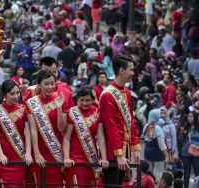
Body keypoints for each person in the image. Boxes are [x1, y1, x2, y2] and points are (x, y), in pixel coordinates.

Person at [99, 54, 141, 187]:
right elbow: (111, 127)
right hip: (113, 154)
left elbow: (131, 120)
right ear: (121, 71)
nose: (133, 73)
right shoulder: (107, 95)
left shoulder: (127, 92)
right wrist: (119, 154)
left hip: (125, 150)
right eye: (131, 70)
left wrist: (135, 147)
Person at [26, 70, 68, 187]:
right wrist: (37, 153)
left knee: (56, 183)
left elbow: (61, 128)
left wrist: (59, 109)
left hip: (56, 149)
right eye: (46, 84)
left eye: (53, 83)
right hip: (39, 149)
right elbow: (33, 130)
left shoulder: (59, 99)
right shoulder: (31, 103)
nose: (50, 87)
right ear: (39, 85)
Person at [63, 86, 109, 187]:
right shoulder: (72, 112)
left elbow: (100, 137)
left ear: (93, 99)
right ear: (78, 99)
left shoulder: (97, 112)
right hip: (74, 157)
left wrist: (104, 158)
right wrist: (66, 157)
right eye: (81, 100)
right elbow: (66, 137)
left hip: (91, 157)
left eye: (88, 100)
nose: (84, 103)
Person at [0, 80, 33, 187]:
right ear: (4, 95)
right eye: (12, 94)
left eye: (18, 93)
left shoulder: (23, 110)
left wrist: (28, 153)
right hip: (2, 155)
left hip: (18, 155)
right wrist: (0, 154)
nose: (16, 96)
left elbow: (27, 133)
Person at [143, 109, 168, 180]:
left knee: (148, 174)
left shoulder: (146, 126)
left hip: (147, 153)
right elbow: (162, 145)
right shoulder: (158, 128)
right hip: (158, 155)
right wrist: (166, 155)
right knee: (158, 175)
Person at [178, 111, 199, 188]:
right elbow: (180, 140)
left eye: (191, 116)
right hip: (185, 153)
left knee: (197, 172)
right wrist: (181, 133)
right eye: (189, 116)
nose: (189, 118)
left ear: (195, 117)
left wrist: (197, 147)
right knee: (186, 173)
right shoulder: (186, 126)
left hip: (197, 153)